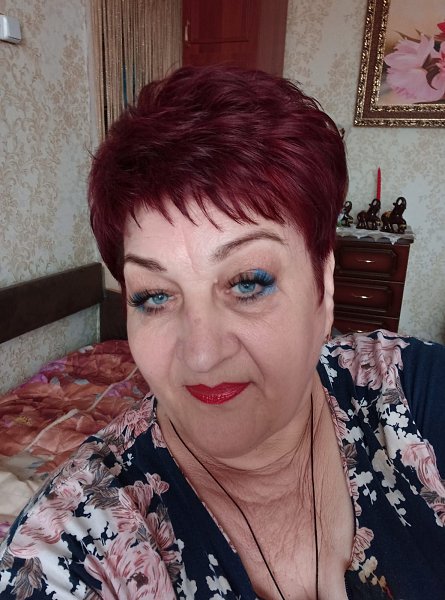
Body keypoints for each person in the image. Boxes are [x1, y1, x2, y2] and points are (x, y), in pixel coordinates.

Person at [0, 65, 444, 600]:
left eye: (248, 282)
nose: (202, 355)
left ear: (323, 285)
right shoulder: (68, 550)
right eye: (154, 296)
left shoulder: (413, 396)